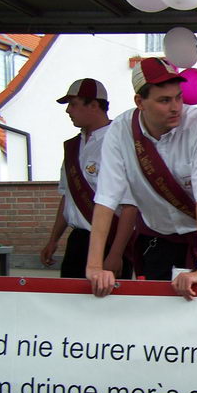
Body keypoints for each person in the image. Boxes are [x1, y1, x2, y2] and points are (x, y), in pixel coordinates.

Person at [86, 57, 197, 301]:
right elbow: (106, 199)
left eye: (178, 97)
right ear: (140, 102)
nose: (176, 107)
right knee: (157, 319)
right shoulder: (120, 130)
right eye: (164, 100)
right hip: (161, 239)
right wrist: (94, 266)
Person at [41, 78, 136, 279]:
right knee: (71, 305)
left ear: (94, 105)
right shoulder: (73, 146)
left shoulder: (120, 142)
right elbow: (67, 196)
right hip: (78, 240)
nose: (68, 111)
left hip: (111, 240)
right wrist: (53, 240)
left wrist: (116, 253)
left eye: (73, 104)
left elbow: (130, 205)